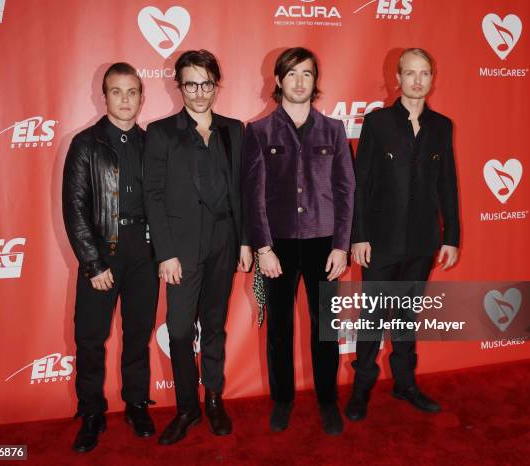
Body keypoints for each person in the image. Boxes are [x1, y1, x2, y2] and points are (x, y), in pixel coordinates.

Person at [241, 47, 355, 435]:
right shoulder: (257, 132)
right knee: (280, 328)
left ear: (315, 80)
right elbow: (252, 195)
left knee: (325, 327)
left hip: (325, 244)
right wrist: (263, 249)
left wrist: (342, 246)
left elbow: (346, 190)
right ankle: (283, 400)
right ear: (278, 81)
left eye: (307, 74)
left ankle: (327, 400)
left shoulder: (334, 130)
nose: (300, 81)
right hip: (279, 246)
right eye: (291, 74)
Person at [143, 49, 252, 445]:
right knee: (179, 328)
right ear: (179, 86)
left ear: (216, 84)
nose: (199, 91)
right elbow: (153, 196)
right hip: (181, 248)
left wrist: (245, 241)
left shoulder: (234, 129)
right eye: (191, 83)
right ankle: (187, 407)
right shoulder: (160, 132)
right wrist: (166, 253)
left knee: (215, 325)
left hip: (225, 239)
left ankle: (215, 399)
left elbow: (242, 191)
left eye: (206, 82)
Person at [346, 48, 460, 421]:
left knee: (406, 316)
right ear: (398, 78)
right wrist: (358, 236)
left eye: (424, 73)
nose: (417, 81)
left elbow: (447, 184)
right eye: (410, 73)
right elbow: (360, 184)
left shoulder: (442, 126)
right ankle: (361, 387)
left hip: (424, 241)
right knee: (374, 316)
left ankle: (405, 383)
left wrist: (452, 236)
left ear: (432, 78)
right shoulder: (378, 123)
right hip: (381, 242)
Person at [62, 62, 159, 452]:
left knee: (138, 334)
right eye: (116, 92)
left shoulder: (154, 142)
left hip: (145, 253)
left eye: (131, 92)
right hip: (104, 250)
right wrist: (93, 262)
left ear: (141, 96)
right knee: (90, 337)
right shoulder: (85, 144)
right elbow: (75, 208)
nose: (124, 99)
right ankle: (90, 412)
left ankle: (136, 403)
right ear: (104, 96)